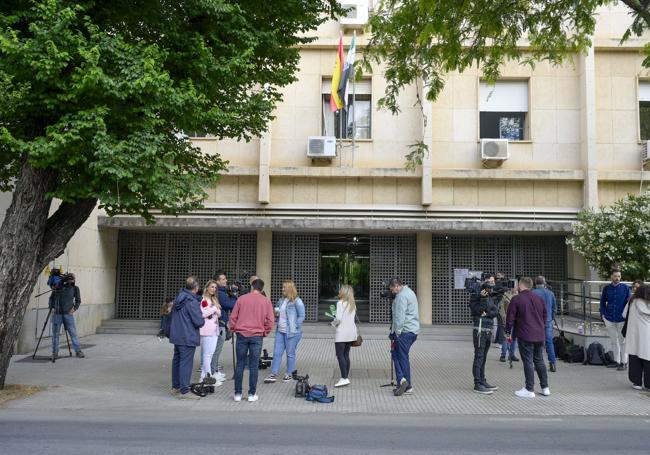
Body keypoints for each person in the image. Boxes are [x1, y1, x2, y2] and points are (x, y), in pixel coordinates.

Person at [229, 278, 274, 402]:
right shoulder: (266, 301)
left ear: (252, 287)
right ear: (261, 289)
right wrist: (265, 331)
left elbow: (233, 317)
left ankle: (237, 394)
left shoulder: (241, 299)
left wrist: (233, 328)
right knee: (254, 366)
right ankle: (251, 394)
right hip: (257, 335)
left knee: (240, 364)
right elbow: (270, 320)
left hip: (241, 334)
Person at [506, 276, 549, 398]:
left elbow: (510, 319)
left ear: (520, 285)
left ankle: (529, 389)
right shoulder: (539, 299)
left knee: (528, 361)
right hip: (540, 334)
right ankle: (545, 387)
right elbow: (545, 316)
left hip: (525, 334)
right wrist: (540, 326)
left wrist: (508, 332)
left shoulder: (516, 299)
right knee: (539, 360)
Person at [169, 276, 205, 400]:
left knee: (177, 360)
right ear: (196, 288)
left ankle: (176, 386)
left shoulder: (179, 298)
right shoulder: (191, 301)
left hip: (177, 335)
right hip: (188, 336)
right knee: (186, 363)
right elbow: (199, 321)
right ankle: (184, 391)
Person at [264, 280, 305, 384]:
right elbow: (278, 312)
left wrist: (295, 327)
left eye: (284, 287)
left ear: (289, 288)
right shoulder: (281, 300)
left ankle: (289, 374)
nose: (282, 289)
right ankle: (273, 374)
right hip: (280, 331)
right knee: (277, 353)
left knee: (290, 354)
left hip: (292, 332)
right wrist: (276, 313)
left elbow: (302, 316)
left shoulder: (297, 301)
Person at [389, 277, 420, 396]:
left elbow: (400, 317)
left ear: (397, 286)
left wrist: (396, 332)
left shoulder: (401, 296)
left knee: (401, 357)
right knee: (397, 355)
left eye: (392, 289)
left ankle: (406, 385)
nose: (392, 292)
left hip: (404, 332)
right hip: (412, 331)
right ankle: (402, 381)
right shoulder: (410, 292)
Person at [469, 278, 499, 394]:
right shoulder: (476, 296)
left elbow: (494, 312)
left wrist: (487, 312)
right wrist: (482, 301)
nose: (491, 287)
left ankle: (482, 380)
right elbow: (476, 311)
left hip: (488, 329)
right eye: (489, 284)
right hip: (480, 330)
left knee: (484, 358)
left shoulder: (490, 296)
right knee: (479, 356)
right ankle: (477, 384)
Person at [211, 270, 239, 381]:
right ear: (217, 281)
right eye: (223, 279)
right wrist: (234, 296)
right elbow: (230, 304)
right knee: (216, 350)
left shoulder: (221, 291)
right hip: (219, 324)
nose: (226, 280)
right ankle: (212, 372)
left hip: (220, 323)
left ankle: (214, 370)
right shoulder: (220, 293)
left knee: (216, 350)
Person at [600, 269, 631, 371]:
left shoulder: (626, 288)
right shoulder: (606, 289)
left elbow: (629, 303)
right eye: (615, 276)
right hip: (609, 318)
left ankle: (624, 362)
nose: (617, 278)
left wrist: (627, 316)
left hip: (621, 318)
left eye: (618, 276)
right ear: (611, 277)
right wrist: (603, 314)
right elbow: (602, 302)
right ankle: (616, 361)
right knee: (614, 341)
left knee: (623, 341)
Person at [49, 273, 84, 359]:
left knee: (73, 333)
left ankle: (78, 351)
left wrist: (74, 308)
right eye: (71, 278)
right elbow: (51, 298)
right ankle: (55, 353)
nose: (72, 280)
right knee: (55, 334)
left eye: (73, 279)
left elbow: (78, 300)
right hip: (57, 313)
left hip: (68, 314)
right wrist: (52, 308)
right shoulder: (58, 287)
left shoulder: (75, 288)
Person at [331, 284, 358, 388]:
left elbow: (338, 319)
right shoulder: (352, 304)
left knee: (339, 355)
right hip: (351, 333)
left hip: (342, 333)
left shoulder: (340, 303)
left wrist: (332, 324)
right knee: (346, 354)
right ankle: (345, 376)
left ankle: (344, 378)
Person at [624, 284, 650, 391]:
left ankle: (637, 383)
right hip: (647, 336)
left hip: (633, 336)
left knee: (634, 359)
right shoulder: (648, 304)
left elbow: (623, 314)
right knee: (648, 360)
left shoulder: (631, 302)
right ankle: (648, 385)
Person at [532, 276, 558, 372]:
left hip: (536, 321)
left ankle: (537, 364)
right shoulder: (550, 293)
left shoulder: (533, 293)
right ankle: (552, 364)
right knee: (549, 342)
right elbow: (555, 308)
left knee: (536, 342)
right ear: (544, 283)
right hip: (548, 321)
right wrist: (551, 318)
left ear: (535, 283)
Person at [199, 280, 222, 385]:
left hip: (214, 330)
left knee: (209, 355)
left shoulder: (214, 299)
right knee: (207, 355)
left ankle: (204, 377)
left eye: (215, 287)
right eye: (212, 287)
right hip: (206, 330)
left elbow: (220, 313)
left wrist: (215, 309)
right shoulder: (204, 299)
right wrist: (214, 309)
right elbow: (203, 313)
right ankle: (208, 377)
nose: (214, 289)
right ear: (207, 287)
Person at [498, 285, 518, 363]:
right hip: (508, 321)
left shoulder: (519, 295)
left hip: (516, 321)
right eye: (513, 286)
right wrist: (504, 317)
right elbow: (501, 308)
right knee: (506, 337)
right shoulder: (505, 295)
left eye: (516, 286)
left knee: (514, 338)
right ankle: (503, 355)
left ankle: (512, 355)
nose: (514, 288)